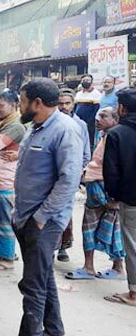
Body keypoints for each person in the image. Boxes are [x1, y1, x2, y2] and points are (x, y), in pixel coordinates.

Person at [6, 78, 83, 336]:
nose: (20, 106)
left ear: (37, 103)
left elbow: (69, 180)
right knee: (43, 276)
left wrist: (41, 217)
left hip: (45, 221)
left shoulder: (65, 130)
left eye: (23, 101)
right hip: (27, 216)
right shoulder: (35, 128)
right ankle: (54, 331)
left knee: (33, 283)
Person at [66, 107, 125, 280]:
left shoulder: (115, 137)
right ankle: (110, 267)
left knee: (97, 227)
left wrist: (115, 196)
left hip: (103, 187)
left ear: (115, 119)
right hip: (98, 185)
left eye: (103, 116)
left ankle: (96, 267)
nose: (98, 119)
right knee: (108, 227)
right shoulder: (104, 136)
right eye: (98, 115)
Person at [103, 87, 136, 308]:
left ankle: (134, 293)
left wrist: (113, 195)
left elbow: (111, 171)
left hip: (130, 198)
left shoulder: (116, 134)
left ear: (122, 108)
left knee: (132, 244)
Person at [0, 90, 26, 271]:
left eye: (1, 106)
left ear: (13, 105)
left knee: (3, 222)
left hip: (5, 181)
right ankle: (0, 254)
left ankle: (7, 258)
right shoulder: (6, 122)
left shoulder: (15, 125)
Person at [56, 88, 92, 262]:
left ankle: (63, 246)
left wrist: (81, 173)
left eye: (67, 103)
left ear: (73, 105)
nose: (63, 107)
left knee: (65, 213)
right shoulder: (51, 123)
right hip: (53, 175)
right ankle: (51, 247)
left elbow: (86, 152)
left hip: (70, 175)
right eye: (60, 103)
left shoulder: (80, 125)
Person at [74, 74, 100, 148]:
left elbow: (96, 109)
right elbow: (75, 107)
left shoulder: (96, 93)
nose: (85, 82)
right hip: (78, 121)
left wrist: (90, 121)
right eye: (83, 80)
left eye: (87, 80)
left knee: (89, 140)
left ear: (91, 82)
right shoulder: (79, 94)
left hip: (89, 123)